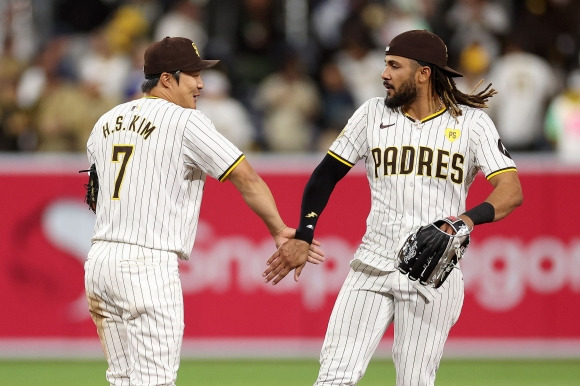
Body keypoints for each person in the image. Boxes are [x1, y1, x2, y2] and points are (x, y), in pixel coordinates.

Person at [263, 30, 523, 385]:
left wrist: (463, 221)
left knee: (415, 381)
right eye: (385, 64)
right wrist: (305, 232)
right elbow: (324, 176)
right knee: (333, 377)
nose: (384, 74)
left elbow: (510, 191)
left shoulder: (471, 123)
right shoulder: (371, 114)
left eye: (394, 66)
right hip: (372, 264)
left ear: (423, 72)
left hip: (433, 272)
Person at [83, 36, 323, 385]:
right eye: (193, 75)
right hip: (146, 265)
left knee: (122, 379)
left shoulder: (105, 122)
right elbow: (246, 177)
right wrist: (277, 228)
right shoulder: (185, 121)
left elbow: (96, 195)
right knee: (155, 380)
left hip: (99, 263)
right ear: (166, 79)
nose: (201, 83)